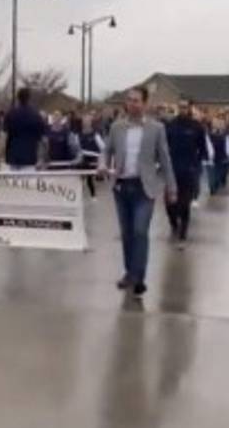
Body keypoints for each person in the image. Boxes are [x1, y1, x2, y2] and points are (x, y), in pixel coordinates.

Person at [99, 87, 176, 297]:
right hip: (122, 187)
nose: (132, 104)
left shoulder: (156, 129)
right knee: (127, 233)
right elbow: (106, 150)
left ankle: (136, 276)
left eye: (136, 100)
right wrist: (103, 164)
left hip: (144, 188)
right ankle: (132, 274)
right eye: (129, 100)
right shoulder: (117, 128)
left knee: (140, 231)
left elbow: (165, 159)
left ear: (145, 103)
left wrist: (171, 187)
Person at [165, 99, 209, 247]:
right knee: (170, 204)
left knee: (184, 204)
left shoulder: (196, 127)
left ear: (189, 108)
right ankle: (173, 223)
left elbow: (203, 149)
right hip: (172, 170)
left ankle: (183, 232)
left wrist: (198, 163)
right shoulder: (171, 125)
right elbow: (163, 146)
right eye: (180, 107)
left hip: (189, 170)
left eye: (185, 107)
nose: (183, 109)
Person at [0, 87, 47, 169]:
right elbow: (44, 140)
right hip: (31, 158)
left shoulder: (10, 114)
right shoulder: (37, 116)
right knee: (29, 180)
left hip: (13, 158)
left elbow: (3, 137)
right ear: (29, 98)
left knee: (14, 180)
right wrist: (42, 159)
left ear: (18, 98)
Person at [79, 113, 105, 199]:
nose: (85, 123)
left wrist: (100, 160)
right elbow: (76, 148)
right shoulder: (79, 134)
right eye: (84, 121)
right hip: (82, 158)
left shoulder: (95, 134)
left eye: (87, 121)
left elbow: (103, 147)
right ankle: (78, 194)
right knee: (80, 177)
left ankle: (93, 195)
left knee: (89, 178)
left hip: (93, 158)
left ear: (90, 123)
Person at [206, 118, 229, 195]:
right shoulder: (208, 133)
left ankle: (216, 184)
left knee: (219, 173)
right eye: (215, 123)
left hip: (221, 157)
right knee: (211, 175)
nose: (218, 125)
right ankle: (212, 187)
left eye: (220, 124)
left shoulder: (226, 134)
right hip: (211, 158)